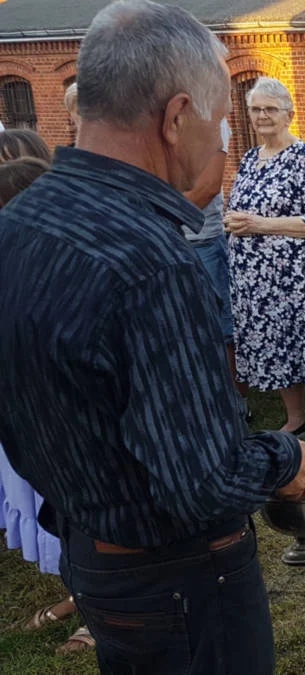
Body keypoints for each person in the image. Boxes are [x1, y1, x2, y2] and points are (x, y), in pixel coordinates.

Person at [0, 2, 305, 672]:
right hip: (180, 582)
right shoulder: (153, 263)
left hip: (94, 559)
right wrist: (289, 460)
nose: (220, 142)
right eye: (217, 121)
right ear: (176, 118)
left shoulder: (22, 218)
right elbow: (203, 481)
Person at [0, 154, 94, 654]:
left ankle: (98, 611)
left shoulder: (71, 268)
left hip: (72, 431)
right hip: (34, 427)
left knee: (82, 519)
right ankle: (81, 595)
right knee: (58, 517)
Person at [224, 77, 305, 443]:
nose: (262, 116)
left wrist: (259, 224)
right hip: (253, 281)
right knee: (276, 348)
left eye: (270, 109)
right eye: (256, 109)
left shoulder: (304, 158)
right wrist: (232, 220)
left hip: (293, 279)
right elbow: (237, 208)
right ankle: (297, 419)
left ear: (289, 115)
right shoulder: (249, 159)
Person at [182, 117, 246, 419]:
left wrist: (157, 215)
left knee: (223, 330)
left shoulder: (211, 120)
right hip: (170, 239)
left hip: (202, 239)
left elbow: (207, 187)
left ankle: (235, 406)